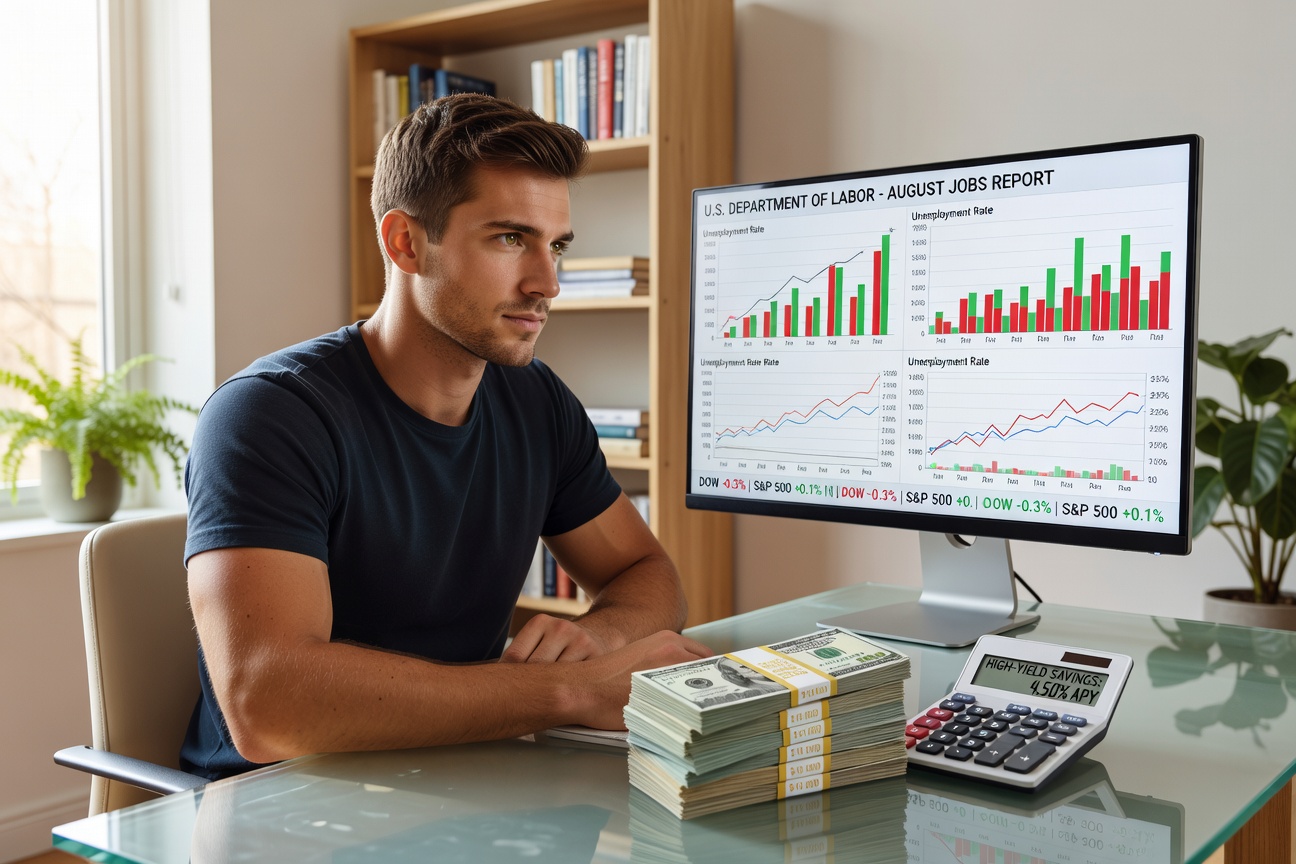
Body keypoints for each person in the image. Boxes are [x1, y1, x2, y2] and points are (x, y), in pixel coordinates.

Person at [181, 93, 710, 780]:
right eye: (510, 238)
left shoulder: (536, 400)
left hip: (463, 773)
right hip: (276, 805)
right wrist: (574, 690)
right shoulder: (268, 416)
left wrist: (596, 638)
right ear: (405, 242)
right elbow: (267, 705)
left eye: (557, 246)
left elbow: (647, 575)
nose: (547, 282)